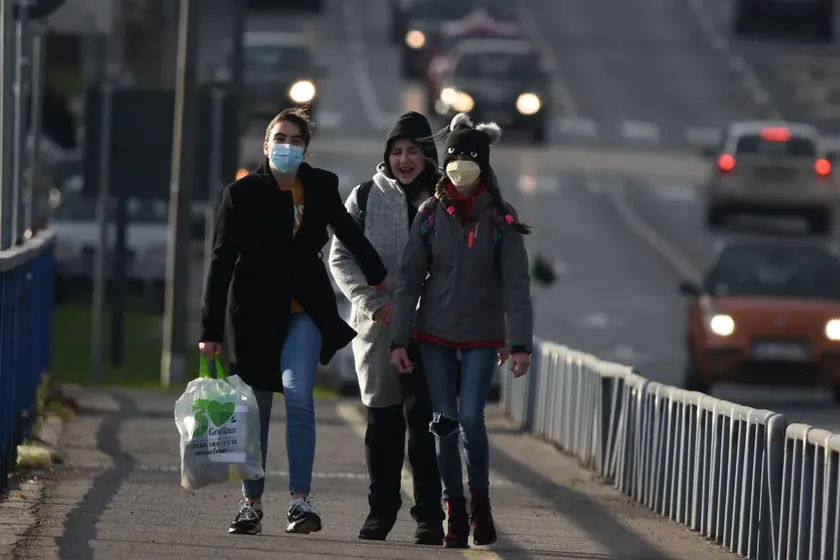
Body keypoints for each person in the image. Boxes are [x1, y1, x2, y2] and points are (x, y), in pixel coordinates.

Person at [198, 107, 388, 536]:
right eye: (279, 139)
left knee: (300, 397)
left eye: (295, 141)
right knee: (255, 411)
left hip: (305, 309)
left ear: (306, 150)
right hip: (253, 315)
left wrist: (378, 276)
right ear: (266, 146)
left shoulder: (320, 186)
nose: (287, 146)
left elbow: (348, 231)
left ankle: (300, 503)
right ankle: (251, 504)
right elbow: (220, 262)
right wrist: (209, 330)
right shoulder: (241, 194)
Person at [389, 113, 534, 549]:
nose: (460, 169)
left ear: (483, 167)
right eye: (454, 160)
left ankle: (480, 504)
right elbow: (409, 280)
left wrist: (520, 344)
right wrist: (400, 339)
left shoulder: (501, 218)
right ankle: (453, 507)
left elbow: (517, 284)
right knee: (445, 421)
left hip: (482, 334)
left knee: (471, 415)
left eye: (469, 161)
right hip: (433, 332)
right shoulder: (430, 215)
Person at [328, 111, 446, 545]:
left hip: (429, 331)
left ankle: (429, 515)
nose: (404, 160)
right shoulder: (364, 197)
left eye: (413, 151)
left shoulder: (445, 199)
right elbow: (340, 258)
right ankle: (381, 509)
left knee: (425, 423)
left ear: (427, 155)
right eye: (396, 151)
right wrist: (374, 305)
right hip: (378, 329)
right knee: (382, 425)